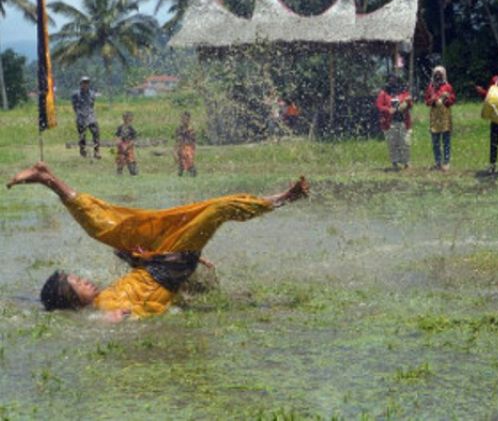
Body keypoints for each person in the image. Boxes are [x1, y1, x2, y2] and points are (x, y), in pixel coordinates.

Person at [6, 162, 309, 320]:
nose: (85, 281)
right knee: (218, 210)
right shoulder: (102, 309)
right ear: (71, 300)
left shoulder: (104, 298)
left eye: (79, 278)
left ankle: (50, 180)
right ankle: (282, 199)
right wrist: (112, 321)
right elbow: (119, 317)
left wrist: (140, 258)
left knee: (108, 223)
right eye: (77, 284)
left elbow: (139, 287)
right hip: (169, 266)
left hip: (164, 259)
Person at [376, 74, 413, 170]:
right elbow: (379, 105)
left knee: (405, 142)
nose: (393, 82)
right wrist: (388, 109)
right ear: (387, 81)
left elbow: (410, 105)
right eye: (390, 80)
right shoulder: (383, 93)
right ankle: (395, 163)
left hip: (403, 121)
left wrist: (408, 102)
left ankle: (406, 162)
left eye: (395, 80)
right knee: (392, 143)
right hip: (389, 122)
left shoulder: (404, 93)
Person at [424, 66, 456, 171]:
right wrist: (432, 100)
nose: (438, 76)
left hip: (445, 116)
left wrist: (447, 98)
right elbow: (426, 101)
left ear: (444, 75)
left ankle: (446, 162)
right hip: (434, 117)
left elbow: (453, 99)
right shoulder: (430, 87)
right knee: (435, 142)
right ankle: (438, 162)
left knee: (446, 141)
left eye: (440, 74)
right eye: (436, 74)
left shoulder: (448, 86)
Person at [71, 76, 101, 159]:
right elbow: (74, 106)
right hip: (81, 116)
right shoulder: (76, 94)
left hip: (90, 116)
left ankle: (97, 151)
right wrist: (79, 114)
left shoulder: (92, 94)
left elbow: (92, 104)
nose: (86, 84)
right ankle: (83, 150)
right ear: (81, 84)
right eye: (84, 82)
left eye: (87, 82)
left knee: (96, 133)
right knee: (82, 135)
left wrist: (89, 113)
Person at [114, 112, 138, 176]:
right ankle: (119, 171)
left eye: (128, 118)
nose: (126, 120)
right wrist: (118, 142)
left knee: (130, 158)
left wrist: (129, 145)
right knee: (120, 158)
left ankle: (133, 171)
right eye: (125, 118)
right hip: (121, 144)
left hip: (128, 144)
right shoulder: (120, 127)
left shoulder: (131, 128)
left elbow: (134, 138)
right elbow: (117, 136)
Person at [175, 112, 197, 177]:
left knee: (188, 158)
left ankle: (191, 170)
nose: (184, 120)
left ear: (189, 119)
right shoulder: (179, 129)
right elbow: (177, 139)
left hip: (189, 147)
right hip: (181, 146)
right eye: (182, 118)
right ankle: (182, 170)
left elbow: (193, 140)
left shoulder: (191, 129)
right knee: (181, 160)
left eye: (186, 119)